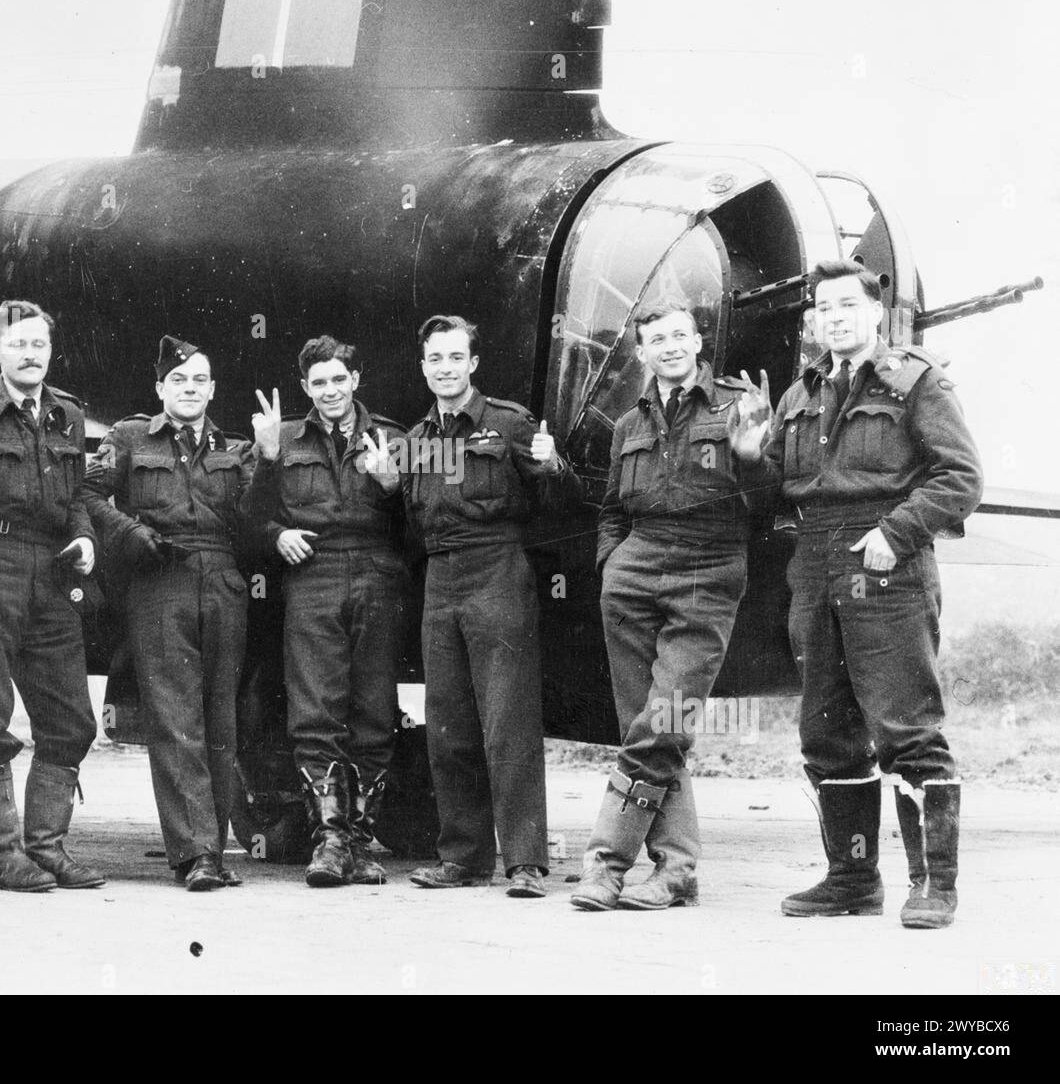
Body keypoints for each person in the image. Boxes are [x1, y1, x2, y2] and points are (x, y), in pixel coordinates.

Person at [729, 258, 983, 928]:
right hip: (814, 564)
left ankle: (934, 883)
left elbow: (961, 478)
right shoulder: (798, 395)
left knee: (906, 727)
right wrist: (752, 451)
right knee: (826, 731)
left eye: (848, 305)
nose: (835, 317)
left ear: (875, 313)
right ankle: (852, 876)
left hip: (886, 566)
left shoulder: (916, 383)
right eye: (823, 308)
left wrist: (896, 533)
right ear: (813, 319)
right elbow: (777, 492)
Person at [572, 305, 759, 911]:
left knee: (664, 723)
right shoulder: (628, 423)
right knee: (647, 728)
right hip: (632, 578)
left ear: (699, 342)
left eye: (681, 335)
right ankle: (677, 870)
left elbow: (777, 493)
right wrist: (612, 564)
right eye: (657, 340)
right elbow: (610, 509)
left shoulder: (740, 406)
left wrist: (757, 453)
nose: (671, 347)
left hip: (707, 573)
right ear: (643, 352)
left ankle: (606, 862)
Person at [403, 314, 580, 898]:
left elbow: (563, 501)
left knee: (507, 720)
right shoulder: (417, 440)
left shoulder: (508, 423)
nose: (445, 369)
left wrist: (553, 464)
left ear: (473, 364)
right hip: (439, 577)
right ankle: (463, 856)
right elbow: (407, 520)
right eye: (435, 359)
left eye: (456, 358)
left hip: (497, 571)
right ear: (423, 365)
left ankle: (525, 861)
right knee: (448, 724)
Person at [83, 335, 254, 891]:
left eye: (199, 380)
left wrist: (270, 459)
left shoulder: (235, 448)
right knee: (175, 718)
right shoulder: (129, 437)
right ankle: (195, 854)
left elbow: (256, 515)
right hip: (160, 580)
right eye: (178, 381)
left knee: (221, 718)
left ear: (212, 389)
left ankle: (214, 848)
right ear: (160, 389)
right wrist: (130, 535)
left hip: (224, 581)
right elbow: (86, 495)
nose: (189, 389)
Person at [0, 300, 104, 892]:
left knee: (71, 720)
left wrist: (86, 537)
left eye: (40, 344)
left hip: (54, 570)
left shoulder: (67, 414)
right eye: (18, 344)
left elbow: (76, 497)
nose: (31, 354)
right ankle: (3, 853)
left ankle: (47, 847)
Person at [248, 336, 407, 887]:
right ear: (305, 388)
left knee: (373, 712)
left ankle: (360, 845)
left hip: (377, 578)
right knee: (315, 711)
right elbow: (246, 518)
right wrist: (279, 532)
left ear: (356, 380)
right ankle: (331, 842)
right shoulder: (281, 439)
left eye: (339, 379)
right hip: (311, 578)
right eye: (319, 382)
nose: (330, 391)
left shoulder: (391, 438)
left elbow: (427, 521)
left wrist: (393, 487)